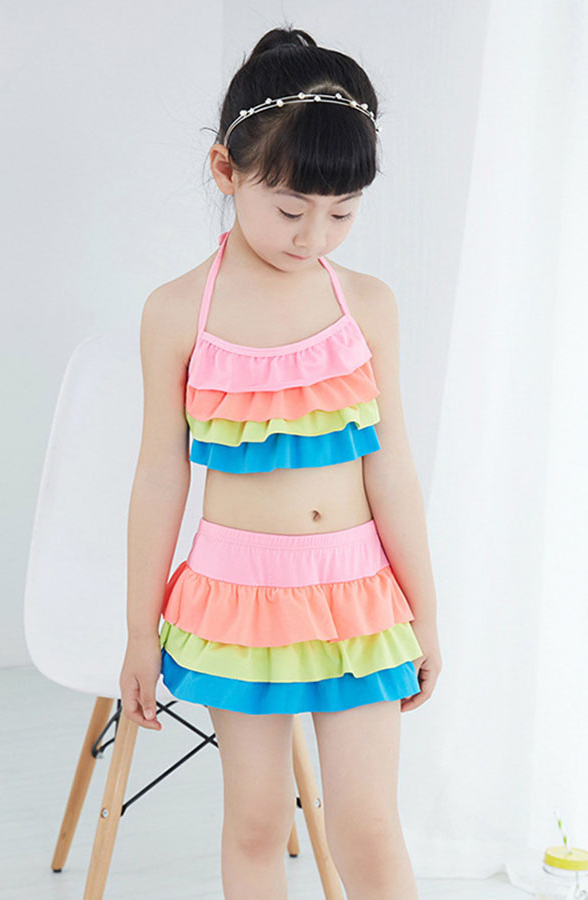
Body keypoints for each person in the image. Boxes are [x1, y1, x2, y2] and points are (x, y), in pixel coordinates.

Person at [120, 24, 442, 900]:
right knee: (257, 822)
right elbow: (159, 477)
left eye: (342, 213)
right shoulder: (176, 311)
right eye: (291, 210)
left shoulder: (367, 304)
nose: (314, 237)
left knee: (366, 823)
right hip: (235, 597)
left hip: (356, 595)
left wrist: (425, 611)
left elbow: (391, 469)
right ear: (226, 171)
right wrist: (140, 632)